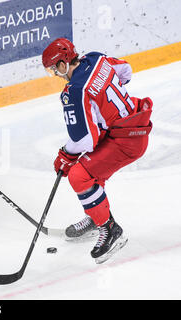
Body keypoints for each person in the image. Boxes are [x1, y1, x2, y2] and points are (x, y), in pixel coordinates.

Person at [42, 38, 153, 264]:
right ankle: (95, 216)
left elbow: (84, 140)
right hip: (132, 125)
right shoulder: (95, 58)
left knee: (79, 174)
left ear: (63, 64)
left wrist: (65, 156)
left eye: (55, 69)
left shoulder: (74, 90)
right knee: (91, 168)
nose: (56, 74)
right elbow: (125, 72)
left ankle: (110, 229)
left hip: (126, 140)